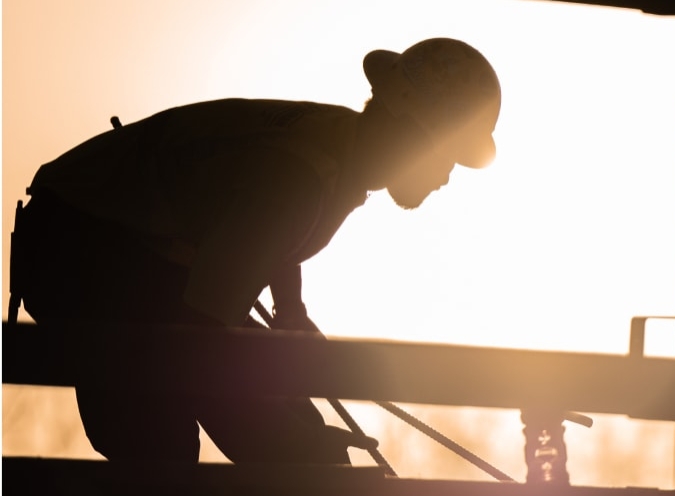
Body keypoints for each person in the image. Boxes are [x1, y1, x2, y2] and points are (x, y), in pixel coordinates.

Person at [18, 38, 501, 464]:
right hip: (85, 253)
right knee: (162, 446)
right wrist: (285, 440)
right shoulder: (303, 178)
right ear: (412, 131)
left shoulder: (339, 149)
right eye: (447, 156)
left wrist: (290, 310)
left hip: (137, 254)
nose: (445, 177)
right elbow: (200, 337)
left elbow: (270, 237)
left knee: (270, 416)